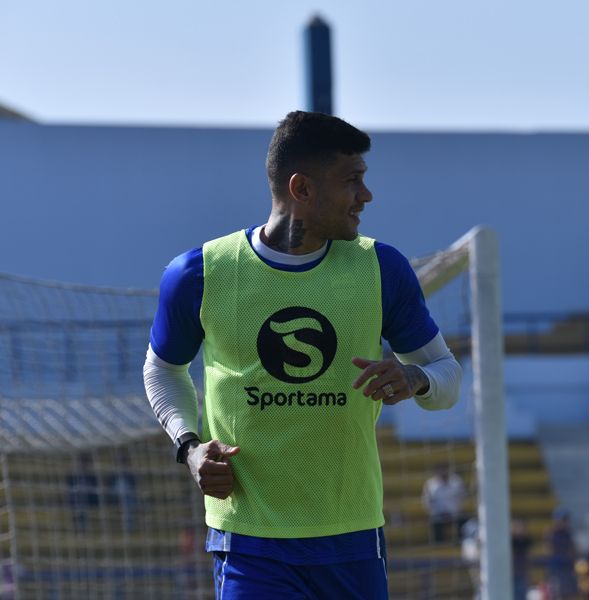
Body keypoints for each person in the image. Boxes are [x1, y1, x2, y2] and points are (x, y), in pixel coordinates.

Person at [143, 111, 463, 599]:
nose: (366, 196)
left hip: (352, 537)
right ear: (303, 189)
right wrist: (188, 447)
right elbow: (162, 370)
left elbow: (448, 378)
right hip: (249, 541)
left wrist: (415, 378)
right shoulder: (200, 273)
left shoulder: (382, 269)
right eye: (352, 181)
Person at [421, 463, 467, 543]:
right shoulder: (430, 484)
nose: (443, 472)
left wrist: (455, 510)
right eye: (441, 470)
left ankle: (460, 542)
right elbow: (426, 501)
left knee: (464, 520)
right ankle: (439, 544)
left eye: (445, 469)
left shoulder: (457, 481)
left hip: (454, 512)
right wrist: (434, 512)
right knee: (435, 523)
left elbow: (462, 497)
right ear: (436, 472)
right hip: (438, 514)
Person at [546, 510, 578, 600]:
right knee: (558, 594)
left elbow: (574, 550)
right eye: (563, 520)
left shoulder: (569, 533)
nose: (565, 523)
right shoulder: (552, 534)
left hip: (568, 569)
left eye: (565, 520)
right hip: (557, 570)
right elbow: (549, 550)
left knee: (570, 594)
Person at [511, 518, 534, 600]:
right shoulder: (511, 541)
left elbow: (529, 556)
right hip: (512, 574)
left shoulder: (527, 541)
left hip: (523, 573)